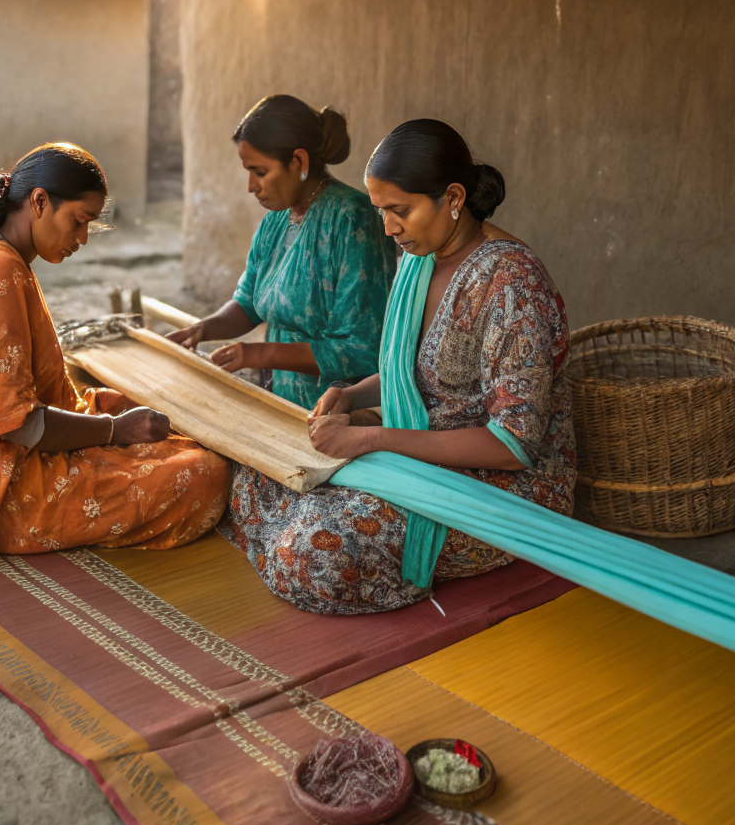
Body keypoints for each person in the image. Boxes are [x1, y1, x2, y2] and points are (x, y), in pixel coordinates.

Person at [225, 119, 575, 614]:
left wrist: (373, 438)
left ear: (453, 197)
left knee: (310, 554)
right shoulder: (421, 259)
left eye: (400, 210)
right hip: (425, 448)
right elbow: (415, 373)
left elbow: (514, 445)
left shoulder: (512, 284)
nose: (388, 227)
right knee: (255, 481)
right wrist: (350, 394)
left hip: (503, 486)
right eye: (381, 211)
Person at [0, 143, 231, 575]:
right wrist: (116, 432)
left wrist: (116, 421)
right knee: (203, 473)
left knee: (134, 411)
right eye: (79, 221)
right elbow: (17, 425)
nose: (81, 239)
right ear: (39, 202)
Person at [168, 94, 397, 409]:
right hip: (278, 401)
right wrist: (202, 329)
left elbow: (362, 348)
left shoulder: (352, 220)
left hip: (336, 412)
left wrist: (258, 354)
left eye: (260, 172)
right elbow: (248, 303)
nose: (251, 185)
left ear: (299, 163)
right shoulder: (273, 223)